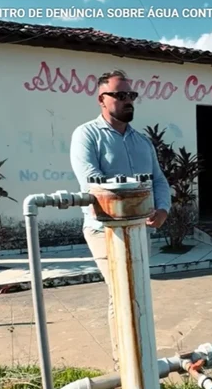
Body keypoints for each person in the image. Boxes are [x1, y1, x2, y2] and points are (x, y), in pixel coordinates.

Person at [70, 69, 172, 371]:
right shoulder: (86, 135)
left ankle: (139, 352)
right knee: (122, 291)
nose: (128, 100)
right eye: (120, 95)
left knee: (138, 290)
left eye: (132, 95)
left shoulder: (142, 143)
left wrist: (162, 209)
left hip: (139, 229)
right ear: (102, 99)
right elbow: (94, 182)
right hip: (105, 230)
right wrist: (135, 196)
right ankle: (125, 363)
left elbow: (159, 181)